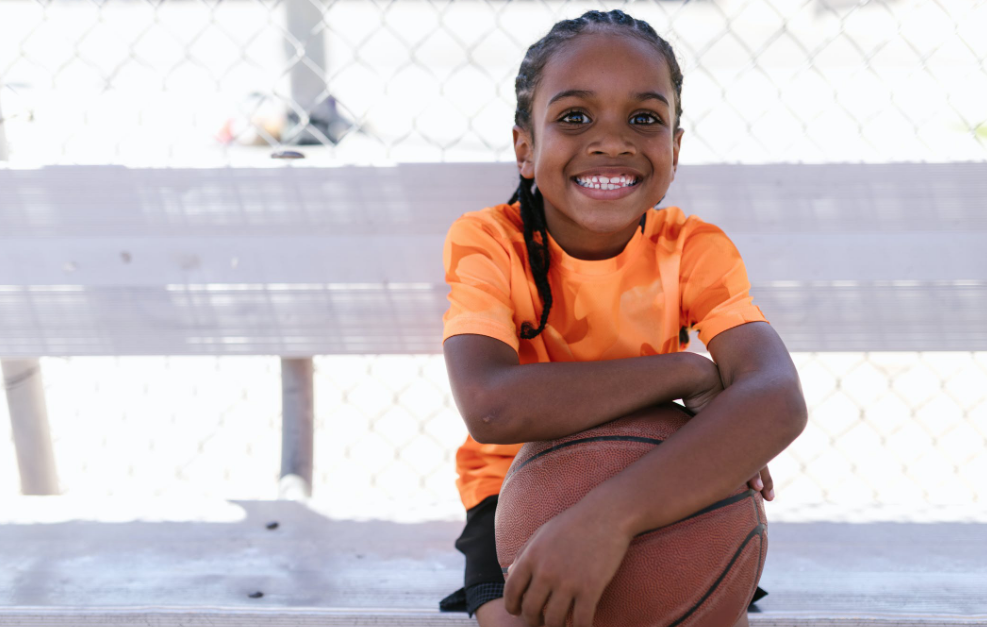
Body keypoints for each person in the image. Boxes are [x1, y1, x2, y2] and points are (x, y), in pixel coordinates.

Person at [438, 10, 808, 627]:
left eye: (644, 118)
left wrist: (607, 517)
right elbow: (491, 406)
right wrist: (689, 373)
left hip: (661, 477)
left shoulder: (693, 248)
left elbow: (778, 398)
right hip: (518, 491)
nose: (612, 141)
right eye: (575, 117)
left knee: (695, 607)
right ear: (524, 149)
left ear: (675, 149)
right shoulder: (489, 242)